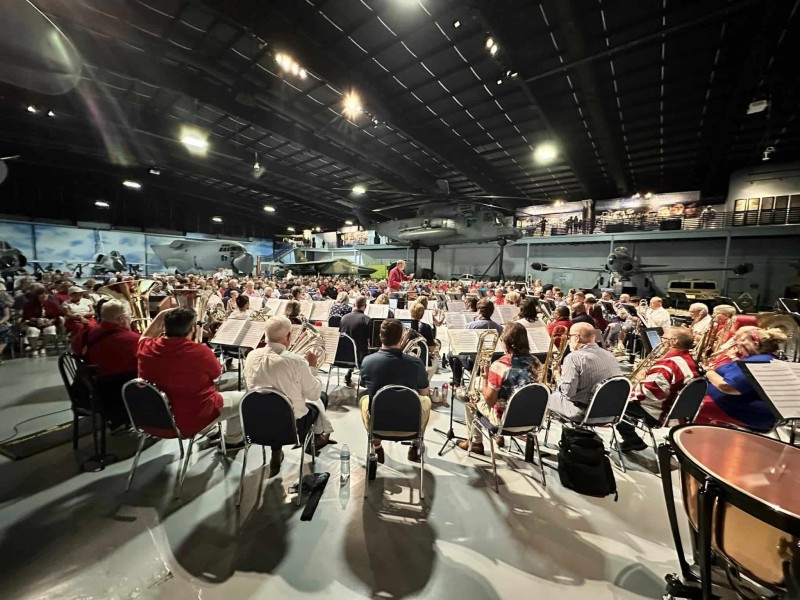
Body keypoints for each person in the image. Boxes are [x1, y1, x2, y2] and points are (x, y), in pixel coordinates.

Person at [137, 307, 244, 449]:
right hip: (187, 420)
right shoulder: (200, 351)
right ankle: (233, 441)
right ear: (193, 328)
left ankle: (211, 431)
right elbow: (217, 375)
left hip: (150, 420)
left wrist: (162, 314)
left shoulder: (146, 347)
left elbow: (146, 335)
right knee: (243, 399)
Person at [243, 316, 335, 471]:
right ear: (287, 336)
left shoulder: (251, 356)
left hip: (255, 424)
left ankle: (276, 450)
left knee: (273, 406)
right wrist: (312, 367)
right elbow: (314, 394)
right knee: (322, 398)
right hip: (292, 428)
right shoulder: (297, 362)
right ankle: (316, 438)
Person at [458, 322, 542, 455]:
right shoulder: (537, 362)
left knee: (471, 401)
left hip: (504, 421)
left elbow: (490, 402)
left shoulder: (500, 365)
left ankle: (475, 443)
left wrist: (486, 378)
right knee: (499, 392)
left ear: (506, 342)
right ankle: (498, 438)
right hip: (532, 420)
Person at [615, 328, 700, 452]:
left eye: (664, 339)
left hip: (658, 411)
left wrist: (639, 380)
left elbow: (649, 393)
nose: (661, 342)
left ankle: (631, 439)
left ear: (674, 341)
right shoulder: (689, 360)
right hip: (676, 410)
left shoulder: (667, 365)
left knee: (616, 402)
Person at [359, 319, 430, 463]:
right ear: (401, 338)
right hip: (410, 424)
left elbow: (364, 385)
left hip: (379, 423)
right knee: (426, 401)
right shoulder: (416, 363)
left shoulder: (367, 361)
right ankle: (415, 444)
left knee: (364, 400)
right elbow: (424, 392)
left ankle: (377, 446)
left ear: (380, 336)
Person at [695, 327, 787, 431]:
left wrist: (707, 371)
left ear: (755, 344)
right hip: (738, 407)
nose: (737, 343)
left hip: (743, 412)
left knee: (687, 403)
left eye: (742, 340)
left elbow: (726, 386)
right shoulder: (763, 358)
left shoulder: (758, 362)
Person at [72, 299, 141, 427]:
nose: (131, 320)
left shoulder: (86, 334)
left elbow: (76, 349)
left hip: (91, 392)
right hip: (120, 397)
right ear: (121, 319)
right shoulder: (133, 340)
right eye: (129, 317)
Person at [548, 323, 623, 419]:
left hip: (583, 412)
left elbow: (567, 393)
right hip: (610, 412)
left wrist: (557, 375)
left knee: (545, 398)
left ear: (576, 338)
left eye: (569, 336)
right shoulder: (609, 355)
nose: (568, 340)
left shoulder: (573, 357)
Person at [22, 284, 63, 356]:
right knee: (32, 330)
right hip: (33, 323)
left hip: (47, 323)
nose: (44, 296)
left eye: (46, 294)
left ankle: (42, 347)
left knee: (50, 329)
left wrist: (49, 321)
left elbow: (56, 316)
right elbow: (27, 316)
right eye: (41, 294)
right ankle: (34, 349)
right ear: (37, 295)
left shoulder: (52, 304)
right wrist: (37, 320)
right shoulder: (29, 304)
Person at [339, 296, 371, 386]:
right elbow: (370, 339)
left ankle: (349, 374)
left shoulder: (344, 317)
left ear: (354, 305)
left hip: (342, 355)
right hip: (359, 357)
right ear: (365, 306)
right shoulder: (366, 319)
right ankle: (364, 378)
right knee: (370, 350)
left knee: (353, 345)